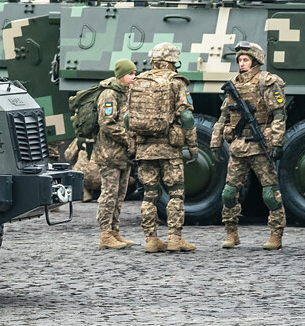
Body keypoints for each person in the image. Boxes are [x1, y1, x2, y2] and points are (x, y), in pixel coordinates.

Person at [210, 41, 287, 250]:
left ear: (255, 61)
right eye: (240, 60)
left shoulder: (267, 82)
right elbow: (224, 116)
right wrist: (216, 142)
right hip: (238, 146)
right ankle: (231, 232)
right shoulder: (233, 84)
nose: (242, 63)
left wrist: (277, 142)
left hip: (260, 146)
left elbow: (279, 114)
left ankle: (276, 234)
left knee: (270, 193)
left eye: (246, 60)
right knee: (228, 193)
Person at [129, 42, 197, 252]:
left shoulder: (139, 81)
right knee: (175, 193)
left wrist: (133, 146)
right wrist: (192, 145)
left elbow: (127, 118)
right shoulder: (176, 82)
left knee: (149, 194)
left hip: (144, 147)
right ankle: (175, 238)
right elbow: (186, 116)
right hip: (169, 147)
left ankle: (151, 240)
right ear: (173, 61)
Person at [96, 59, 138, 249]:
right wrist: (128, 138)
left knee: (120, 195)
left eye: (135, 73)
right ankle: (105, 234)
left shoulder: (128, 93)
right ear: (121, 75)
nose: (134, 77)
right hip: (110, 155)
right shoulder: (109, 94)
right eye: (131, 74)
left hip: (123, 155)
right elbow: (106, 124)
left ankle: (114, 231)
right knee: (109, 194)